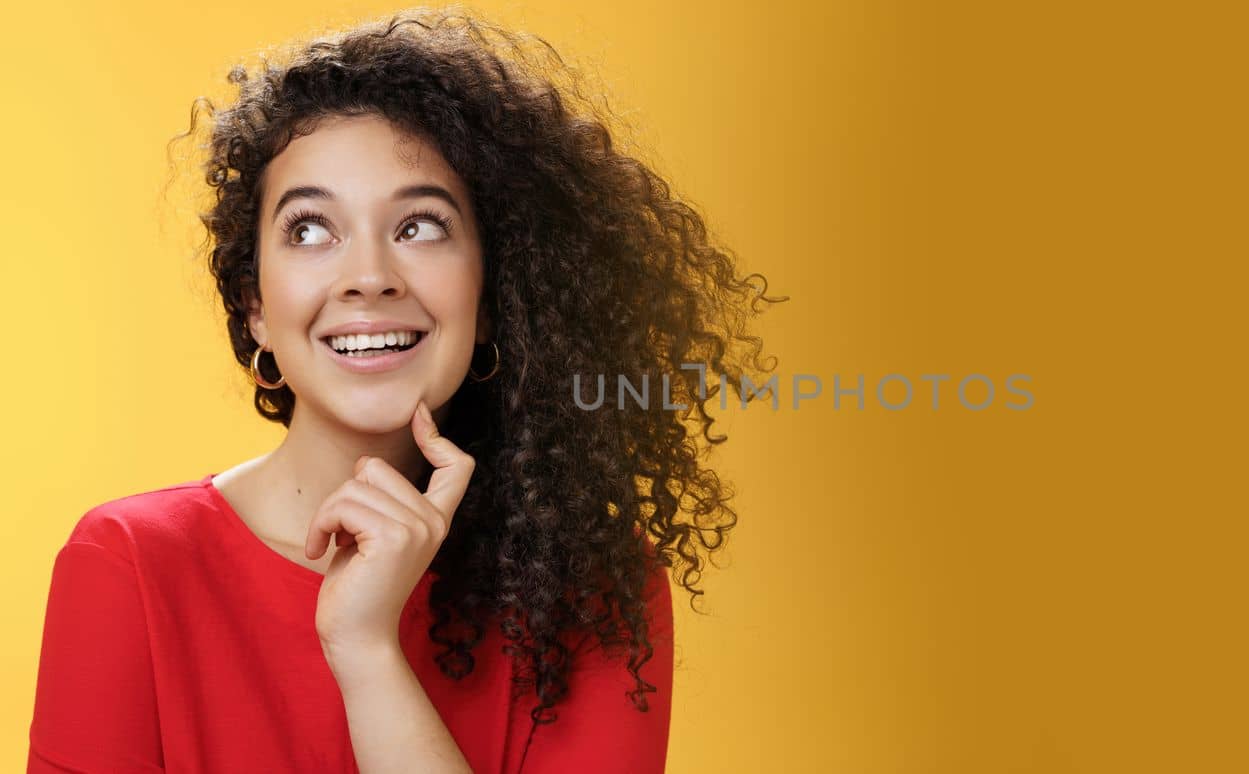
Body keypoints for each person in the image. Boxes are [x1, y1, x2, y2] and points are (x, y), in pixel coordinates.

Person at [28, 7, 782, 773]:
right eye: (311, 229)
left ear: (491, 301)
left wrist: (364, 649)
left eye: (419, 226)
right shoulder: (126, 565)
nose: (369, 278)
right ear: (255, 309)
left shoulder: (595, 590)